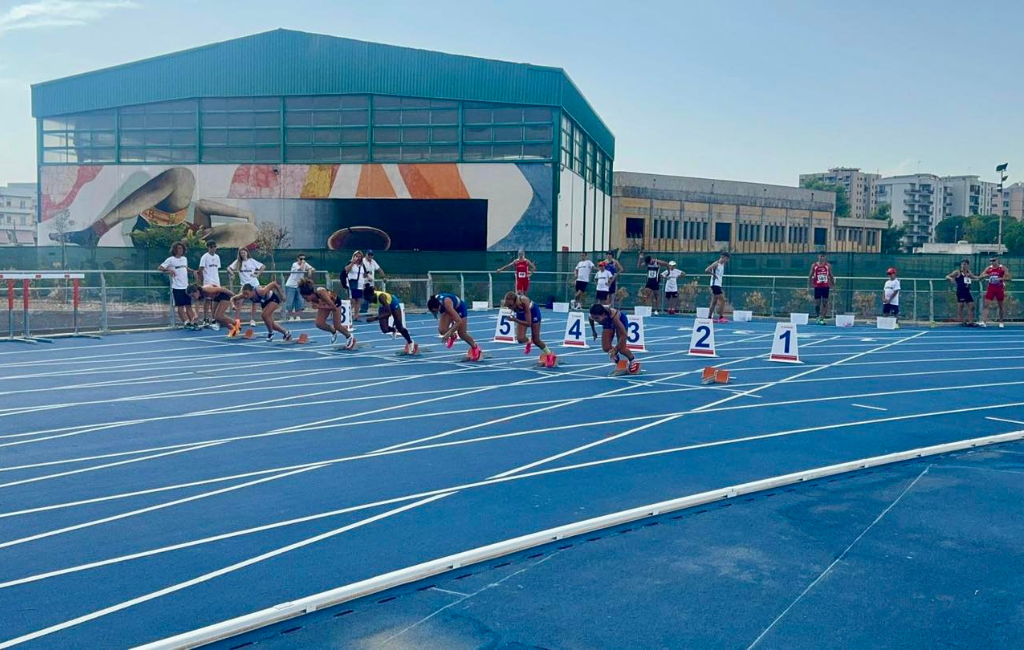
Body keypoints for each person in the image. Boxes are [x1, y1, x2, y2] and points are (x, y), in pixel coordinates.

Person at [48, 167, 257, 248]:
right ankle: (95, 231)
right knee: (182, 177)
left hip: (159, 242)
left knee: (182, 177)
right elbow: (203, 205)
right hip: (155, 221)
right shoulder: (201, 221)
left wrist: (197, 239)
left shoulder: (198, 246)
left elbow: (248, 233)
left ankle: (95, 231)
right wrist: (244, 213)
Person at [297, 278, 355, 348]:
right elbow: (321, 305)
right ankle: (333, 331)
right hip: (324, 304)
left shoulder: (320, 292)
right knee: (319, 324)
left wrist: (319, 306)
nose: (305, 300)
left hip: (335, 303)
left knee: (337, 325)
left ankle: (349, 337)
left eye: (306, 298)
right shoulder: (312, 298)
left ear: (311, 294)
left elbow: (333, 307)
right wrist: (320, 306)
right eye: (303, 298)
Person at [502, 291, 555, 366]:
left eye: (511, 306)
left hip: (533, 313)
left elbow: (528, 323)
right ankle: (529, 341)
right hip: (521, 312)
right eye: (508, 306)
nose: (510, 308)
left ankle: (549, 354)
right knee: (520, 339)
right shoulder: (512, 304)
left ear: (515, 302)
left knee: (536, 340)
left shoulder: (524, 302)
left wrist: (515, 320)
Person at [427, 292, 482, 360]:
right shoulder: (434, 302)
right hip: (448, 310)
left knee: (462, 333)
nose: (436, 312)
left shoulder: (447, 303)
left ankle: (475, 347)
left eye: (436, 311)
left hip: (459, 308)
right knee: (442, 330)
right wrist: (449, 330)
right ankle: (453, 336)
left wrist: (449, 333)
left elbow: (459, 321)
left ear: (439, 306)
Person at [588, 303, 640, 374]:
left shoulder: (613, 317)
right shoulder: (593, 315)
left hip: (620, 320)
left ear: (603, 314)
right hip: (607, 323)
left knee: (622, 348)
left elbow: (624, 335)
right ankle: (616, 354)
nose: (595, 320)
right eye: (593, 317)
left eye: (597, 318)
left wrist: (615, 349)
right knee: (606, 348)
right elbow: (590, 319)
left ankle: (632, 360)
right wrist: (593, 331)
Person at [158, 242, 198, 330]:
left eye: (182, 248)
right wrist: (169, 270)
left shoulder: (184, 259)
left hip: (186, 287)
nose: (181, 250)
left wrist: (193, 271)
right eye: (179, 248)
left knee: (188, 305)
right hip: (177, 287)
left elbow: (185, 268)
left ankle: (193, 322)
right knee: (180, 306)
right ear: (175, 250)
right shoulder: (170, 259)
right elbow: (160, 268)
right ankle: (186, 322)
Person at [370, 288, 416, 354]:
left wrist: (374, 318)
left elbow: (389, 313)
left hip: (393, 303)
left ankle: (410, 342)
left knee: (400, 327)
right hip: (383, 306)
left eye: (369, 299)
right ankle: (393, 329)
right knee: (384, 329)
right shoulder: (369, 295)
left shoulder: (381, 297)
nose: (369, 301)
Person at [227, 248, 265, 326]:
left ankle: (252, 320)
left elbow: (263, 266)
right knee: (239, 302)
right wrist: (232, 274)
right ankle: (237, 321)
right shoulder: (238, 262)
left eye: (244, 253)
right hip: (244, 285)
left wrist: (257, 274)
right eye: (241, 253)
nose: (243, 254)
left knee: (255, 302)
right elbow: (229, 268)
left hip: (254, 284)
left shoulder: (252, 261)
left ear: (247, 253)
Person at [196, 241, 222, 329]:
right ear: (208, 247)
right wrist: (201, 280)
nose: (213, 248)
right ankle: (205, 318)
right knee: (207, 300)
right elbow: (201, 269)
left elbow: (216, 269)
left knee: (215, 301)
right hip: (208, 282)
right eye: (211, 247)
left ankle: (214, 318)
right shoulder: (205, 257)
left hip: (216, 281)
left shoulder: (217, 257)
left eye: (214, 246)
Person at [980, 255, 1012, 328]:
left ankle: (1001, 321)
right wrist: (986, 275)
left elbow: (1009, 278)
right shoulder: (989, 268)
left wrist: (1001, 279)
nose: (992, 262)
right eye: (991, 261)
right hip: (991, 288)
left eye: (994, 260)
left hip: (999, 288)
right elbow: (980, 276)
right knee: (986, 305)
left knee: (1000, 306)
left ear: (997, 260)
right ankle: (984, 321)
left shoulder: (1002, 268)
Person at [946, 259, 979, 327]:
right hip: (961, 291)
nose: (963, 266)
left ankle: (971, 321)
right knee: (961, 306)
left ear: (967, 265)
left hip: (967, 291)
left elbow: (975, 277)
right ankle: (962, 321)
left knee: (971, 306)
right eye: (962, 264)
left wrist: (981, 277)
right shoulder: (957, 272)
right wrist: (951, 279)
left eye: (965, 264)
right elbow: (947, 276)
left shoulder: (969, 272)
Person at [284, 253, 314, 322]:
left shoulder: (305, 264)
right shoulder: (294, 264)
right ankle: (291, 317)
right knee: (290, 302)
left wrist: (310, 270)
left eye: (304, 259)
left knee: (300, 301)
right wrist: (303, 264)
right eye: (301, 259)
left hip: (299, 285)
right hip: (291, 285)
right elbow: (300, 269)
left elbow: (312, 268)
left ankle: (297, 316)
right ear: (297, 259)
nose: (303, 260)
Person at [808, 252, 835, 325]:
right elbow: (810, 275)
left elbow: (831, 275)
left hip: (825, 286)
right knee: (817, 303)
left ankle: (822, 318)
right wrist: (809, 285)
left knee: (825, 303)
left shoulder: (828, 265)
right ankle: (817, 316)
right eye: (820, 256)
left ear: (825, 257)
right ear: (818, 257)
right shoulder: (814, 265)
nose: (821, 258)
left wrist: (834, 285)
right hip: (817, 286)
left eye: (823, 256)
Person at [705, 252, 730, 323]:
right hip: (715, 284)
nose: (727, 260)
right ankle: (721, 317)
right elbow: (707, 270)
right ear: (723, 257)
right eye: (726, 259)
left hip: (718, 284)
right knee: (723, 300)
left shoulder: (723, 265)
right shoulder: (716, 263)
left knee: (714, 302)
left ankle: (709, 318)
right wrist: (713, 275)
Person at [345, 250, 367, 322]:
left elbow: (364, 274)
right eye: (357, 256)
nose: (358, 258)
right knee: (352, 301)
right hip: (352, 284)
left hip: (360, 285)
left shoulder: (362, 265)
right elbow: (346, 270)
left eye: (360, 256)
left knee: (358, 300)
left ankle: (356, 315)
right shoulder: (350, 263)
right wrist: (352, 263)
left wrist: (366, 278)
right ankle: (348, 314)